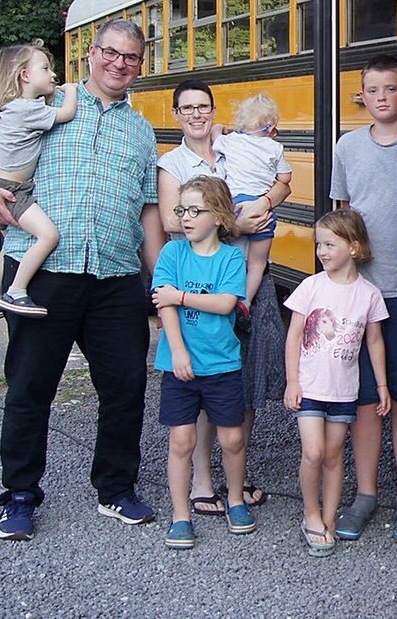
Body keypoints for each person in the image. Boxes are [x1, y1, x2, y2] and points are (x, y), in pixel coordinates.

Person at [0, 18, 165, 541]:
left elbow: (149, 211)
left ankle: (116, 489)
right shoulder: (50, 100)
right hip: (42, 274)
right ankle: (19, 495)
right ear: (92, 55)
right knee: (31, 387)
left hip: (116, 274)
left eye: (131, 58)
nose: (119, 64)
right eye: (110, 53)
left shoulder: (141, 130)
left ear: (139, 65)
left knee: (125, 386)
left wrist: (158, 279)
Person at [157, 80, 288, 515]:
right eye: (187, 108)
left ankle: (238, 471)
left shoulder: (235, 145)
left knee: (242, 382)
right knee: (201, 375)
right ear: (176, 113)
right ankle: (201, 479)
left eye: (204, 106)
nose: (196, 114)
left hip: (248, 281)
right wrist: (237, 224)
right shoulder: (173, 163)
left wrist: (267, 200)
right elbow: (172, 223)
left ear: (215, 111)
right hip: (203, 286)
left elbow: (281, 187)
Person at [329, 54, 397, 543]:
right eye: (374, 89)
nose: (384, 97)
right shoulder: (347, 147)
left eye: (392, 88)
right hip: (361, 293)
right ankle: (365, 494)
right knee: (366, 398)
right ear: (361, 95)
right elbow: (344, 217)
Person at [152, 176, 254, 549]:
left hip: (223, 364)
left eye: (196, 210)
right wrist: (177, 351)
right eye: (182, 210)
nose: (186, 218)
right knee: (181, 440)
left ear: (219, 215)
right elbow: (164, 306)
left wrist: (179, 295)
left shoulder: (230, 258)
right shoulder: (171, 254)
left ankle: (236, 500)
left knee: (232, 438)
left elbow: (226, 303)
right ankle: (181, 514)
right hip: (179, 364)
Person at [283, 209, 390, 556]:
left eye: (330, 244)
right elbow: (294, 334)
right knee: (313, 452)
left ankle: (328, 518)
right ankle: (310, 513)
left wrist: (383, 386)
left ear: (354, 247)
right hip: (311, 387)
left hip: (345, 392)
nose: (322, 252)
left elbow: (374, 341)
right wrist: (291, 382)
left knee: (333, 455)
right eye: (319, 245)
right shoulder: (311, 286)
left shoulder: (369, 294)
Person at [0, 42, 78, 320]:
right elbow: (67, 113)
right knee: (48, 235)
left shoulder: (12, 108)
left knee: (9, 245)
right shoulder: (26, 109)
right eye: (45, 69)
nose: (53, 76)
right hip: (15, 191)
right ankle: (17, 291)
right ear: (25, 75)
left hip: (0, 184)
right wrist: (71, 91)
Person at [212, 93, 292, 306]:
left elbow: (214, 135)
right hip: (261, 206)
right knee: (257, 264)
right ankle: (245, 302)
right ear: (270, 127)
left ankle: (227, 295)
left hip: (236, 204)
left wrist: (221, 128)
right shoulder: (275, 147)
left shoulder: (231, 141)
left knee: (232, 253)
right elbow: (285, 179)